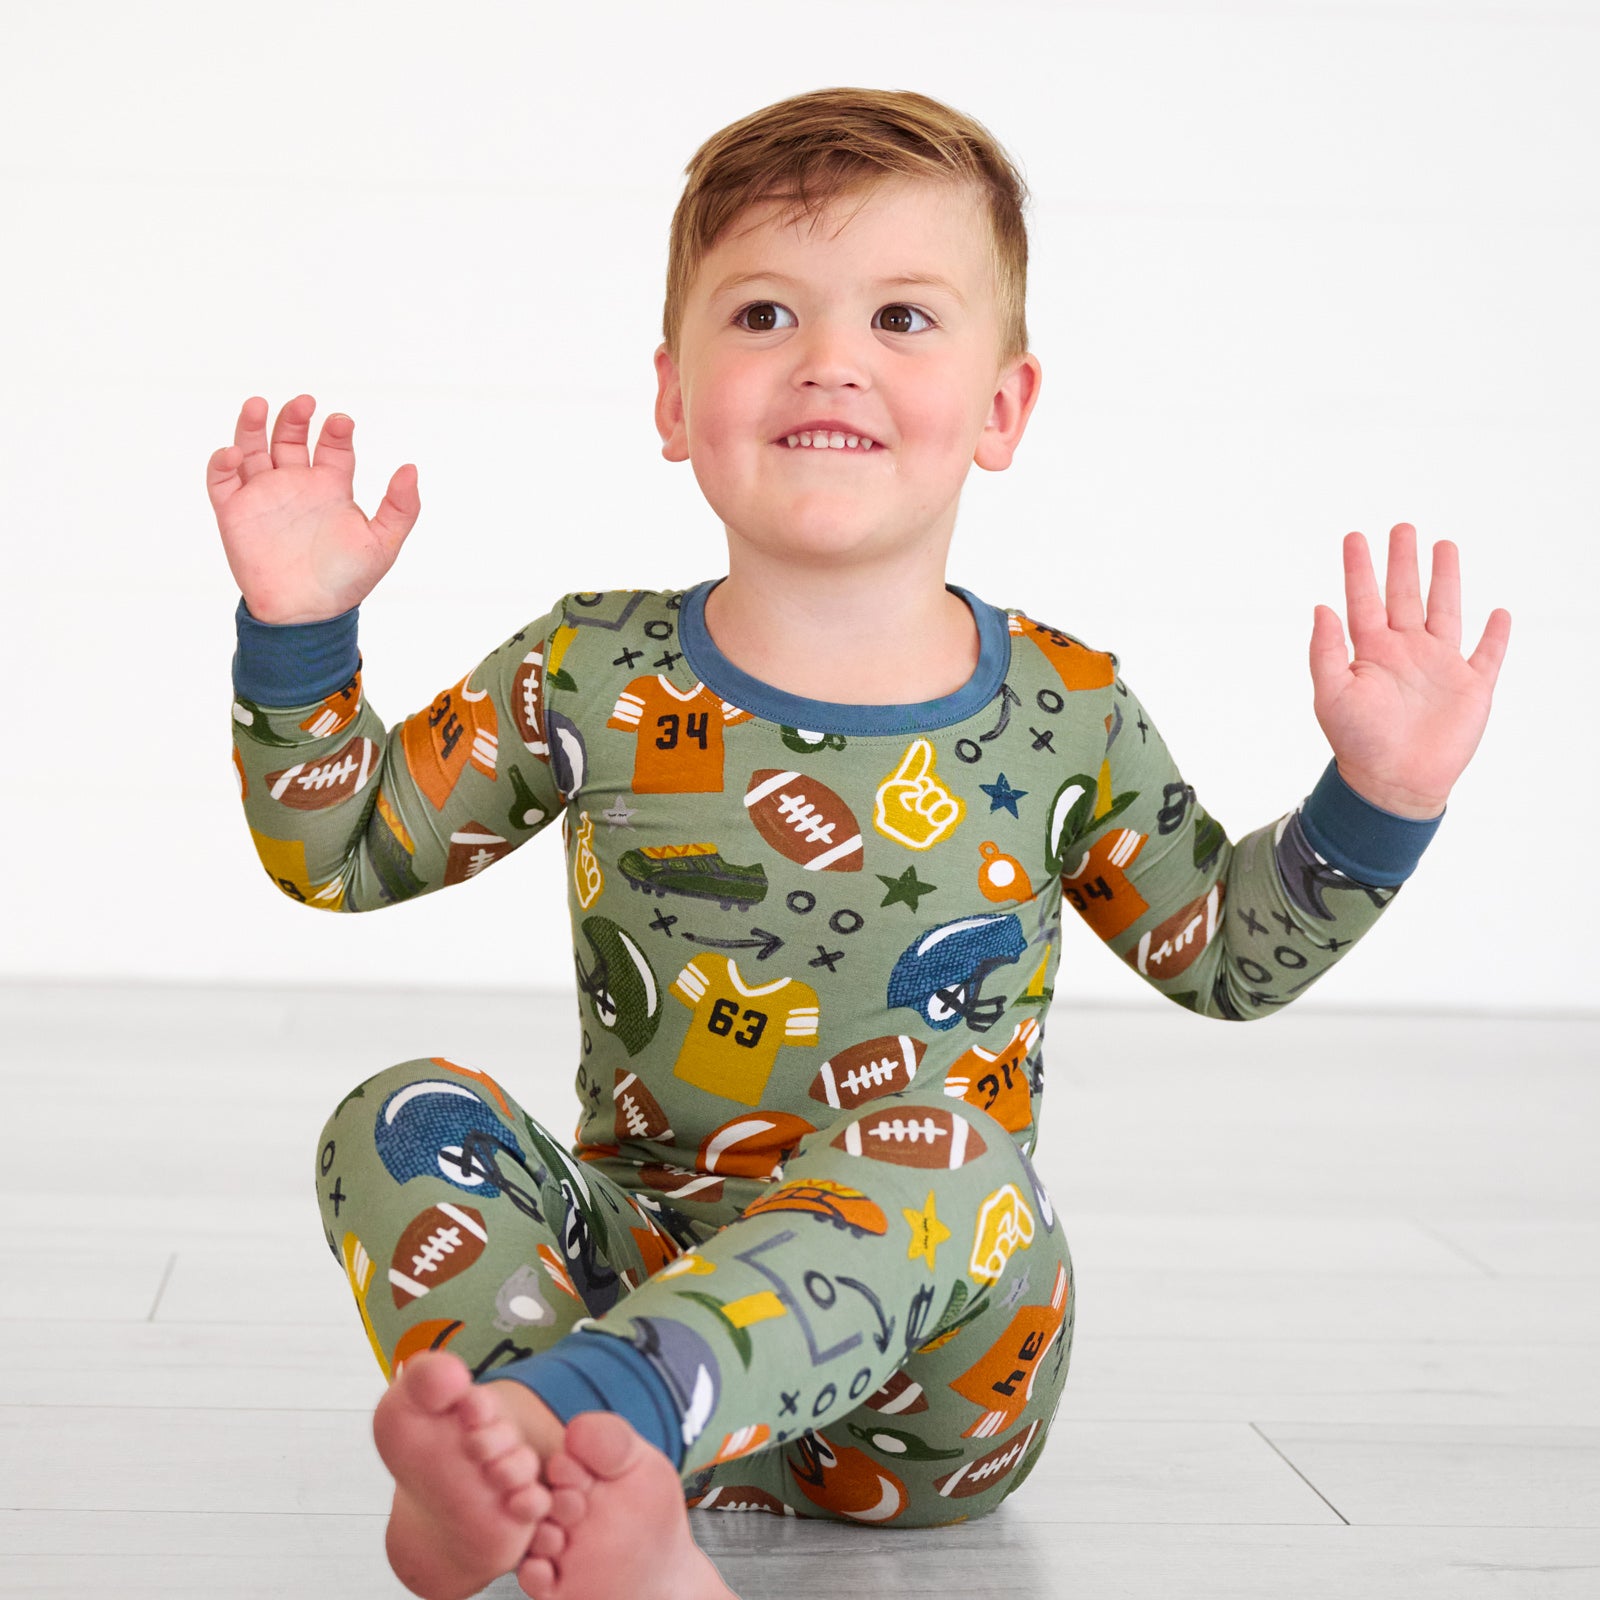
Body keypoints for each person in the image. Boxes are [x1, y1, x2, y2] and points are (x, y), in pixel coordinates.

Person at [205, 87, 1509, 1600]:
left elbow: (1219, 956)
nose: (831, 357)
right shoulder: (591, 673)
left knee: (948, 1152)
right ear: (673, 397)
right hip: (635, 1271)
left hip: (931, 1379)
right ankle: (560, 1466)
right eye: (765, 311)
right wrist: (302, 637)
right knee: (395, 1112)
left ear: (1005, 407)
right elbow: (343, 852)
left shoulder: (1065, 713)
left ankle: (576, 1437)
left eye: (902, 317)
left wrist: (1381, 798)